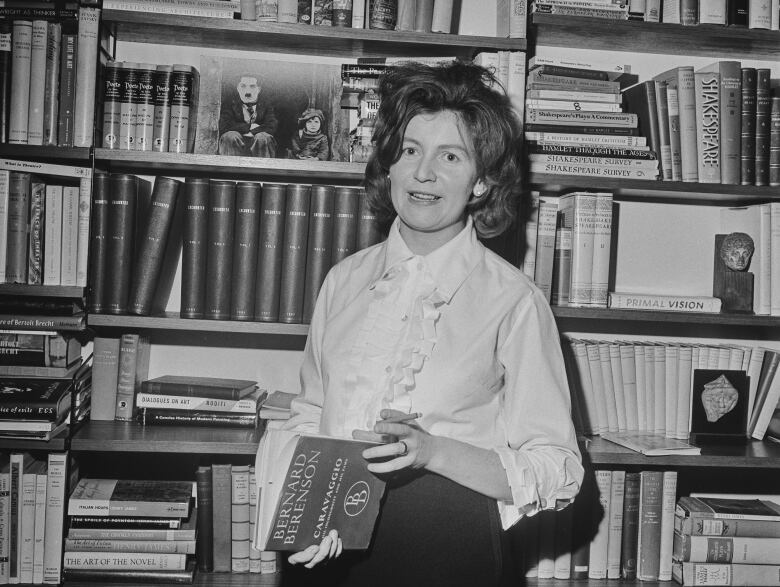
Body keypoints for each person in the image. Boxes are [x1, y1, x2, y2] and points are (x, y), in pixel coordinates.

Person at [269, 60, 584, 587]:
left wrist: (433, 450)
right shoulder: (343, 281)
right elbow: (311, 414)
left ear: (481, 181)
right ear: (389, 164)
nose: (423, 173)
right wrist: (304, 513)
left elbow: (559, 469)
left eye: (451, 156)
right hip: (328, 553)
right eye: (410, 150)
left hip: (452, 545)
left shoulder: (515, 301)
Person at [218, 74, 278, 157]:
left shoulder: (266, 105)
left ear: (259, 89)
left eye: (252, 87)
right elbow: (224, 125)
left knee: (263, 138)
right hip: (235, 145)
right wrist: (249, 127)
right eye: (243, 86)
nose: (247, 92)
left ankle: (261, 168)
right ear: (238, 89)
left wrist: (253, 132)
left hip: (259, 147)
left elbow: (272, 126)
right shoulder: (230, 104)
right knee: (229, 136)